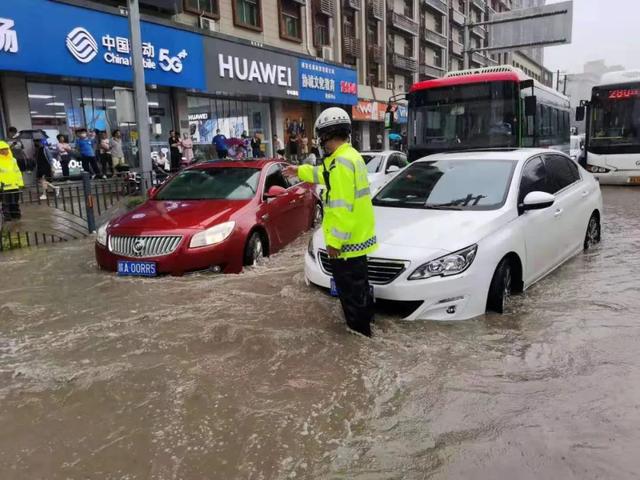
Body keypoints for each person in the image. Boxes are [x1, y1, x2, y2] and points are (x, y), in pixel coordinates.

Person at [283, 107, 377, 337]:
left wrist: (334, 242)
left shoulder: (341, 164)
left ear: (325, 135)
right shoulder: (348, 157)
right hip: (359, 240)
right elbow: (321, 173)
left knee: (351, 297)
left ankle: (359, 338)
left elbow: (342, 208)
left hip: (346, 246)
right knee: (361, 290)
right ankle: (366, 327)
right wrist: (298, 170)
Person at [0, 140, 24, 221]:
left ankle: (16, 216)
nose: (5, 151)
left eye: (6, 149)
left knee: (15, 202)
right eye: (2, 149)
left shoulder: (13, 160)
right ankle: (7, 218)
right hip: (4, 187)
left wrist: (20, 183)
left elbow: (17, 172)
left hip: (14, 185)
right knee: (6, 203)